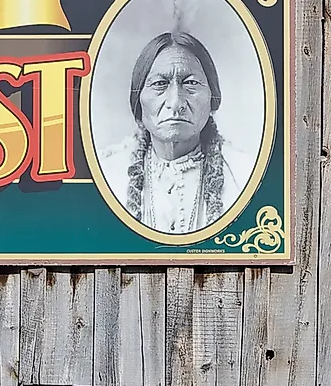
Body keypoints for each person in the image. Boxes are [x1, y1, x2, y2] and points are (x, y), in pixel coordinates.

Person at [98, 26, 252, 238]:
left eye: (190, 83)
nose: (175, 102)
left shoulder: (244, 175)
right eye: (160, 84)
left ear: (212, 97)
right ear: (138, 100)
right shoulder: (106, 174)